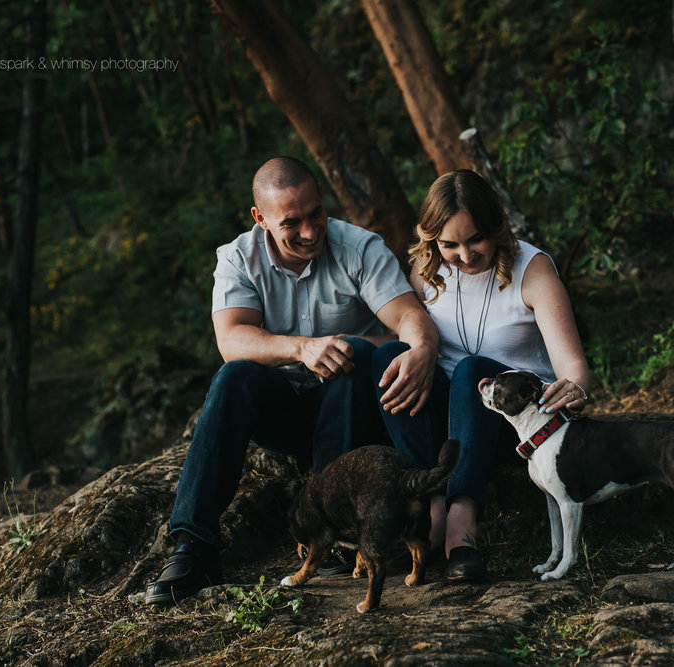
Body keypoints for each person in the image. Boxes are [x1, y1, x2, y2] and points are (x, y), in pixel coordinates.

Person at [145, 157, 442, 605]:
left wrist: (422, 349)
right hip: (286, 409)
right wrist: (302, 347)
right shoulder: (237, 258)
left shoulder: (359, 247)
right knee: (234, 376)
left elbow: (408, 316)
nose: (309, 231)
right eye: (292, 222)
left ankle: (342, 533)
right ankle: (194, 545)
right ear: (260, 218)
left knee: (356, 352)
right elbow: (231, 339)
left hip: (351, 410)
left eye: (315, 214)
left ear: (322, 197)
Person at [406, 169, 592, 580]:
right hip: (449, 424)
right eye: (449, 244)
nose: (465, 256)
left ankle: (461, 522)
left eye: (476, 239)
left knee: (473, 370)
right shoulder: (424, 271)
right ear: (432, 239)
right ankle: (427, 502)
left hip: (518, 424)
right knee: (392, 357)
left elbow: (573, 367)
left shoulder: (533, 269)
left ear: (497, 227)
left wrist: (575, 387)